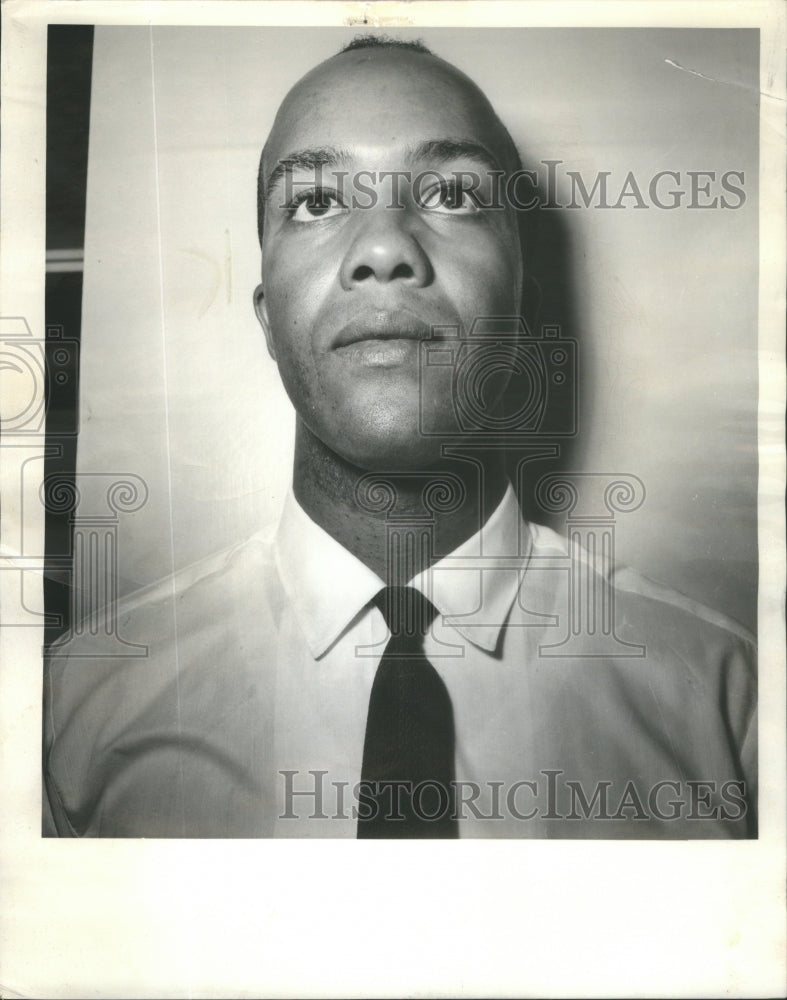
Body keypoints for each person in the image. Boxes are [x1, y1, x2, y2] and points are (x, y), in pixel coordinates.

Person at [44, 36, 756, 839]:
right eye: (314, 202)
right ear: (266, 318)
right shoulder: (75, 706)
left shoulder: (731, 701)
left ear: (520, 305)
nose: (384, 249)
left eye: (452, 193)